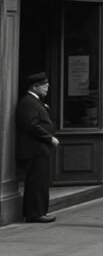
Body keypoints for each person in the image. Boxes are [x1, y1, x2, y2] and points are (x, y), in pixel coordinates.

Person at [16, 72, 59, 223]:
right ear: (35, 86)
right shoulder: (28, 102)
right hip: (34, 148)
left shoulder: (36, 101)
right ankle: (35, 213)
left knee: (40, 181)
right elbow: (32, 125)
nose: (47, 88)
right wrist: (49, 138)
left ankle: (39, 211)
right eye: (44, 85)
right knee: (37, 182)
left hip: (39, 148)